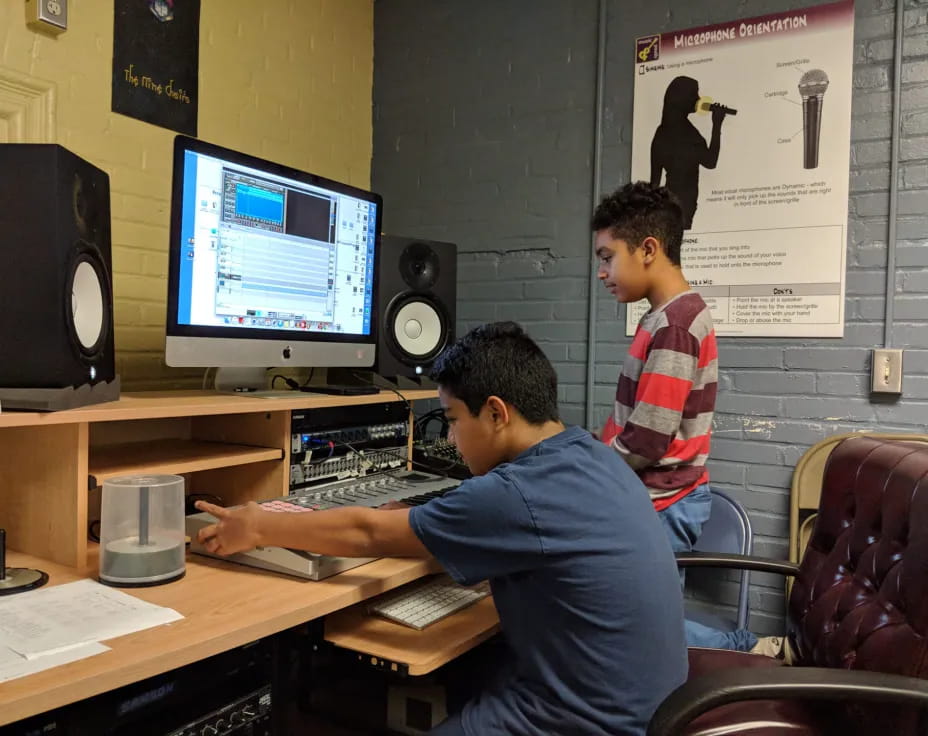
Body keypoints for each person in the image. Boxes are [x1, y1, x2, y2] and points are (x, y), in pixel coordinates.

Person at [196, 321, 687, 735]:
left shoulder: (514, 495)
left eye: (453, 419)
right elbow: (481, 523)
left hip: (587, 722)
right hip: (654, 705)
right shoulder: (589, 456)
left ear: (496, 413)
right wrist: (418, 522)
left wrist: (257, 525)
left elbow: (368, 534)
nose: (451, 437)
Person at [591, 181, 770, 654]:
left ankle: (742, 650)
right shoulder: (665, 317)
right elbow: (636, 422)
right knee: (640, 615)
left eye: (607, 257)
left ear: (648, 249)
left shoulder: (673, 324)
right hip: (662, 499)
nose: (601, 273)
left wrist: (588, 468)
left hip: (664, 505)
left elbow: (646, 441)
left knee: (637, 620)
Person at [650, 76, 730, 230]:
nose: (699, 99)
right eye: (695, 95)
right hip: (685, 202)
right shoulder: (689, 134)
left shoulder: (661, 132)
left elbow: (654, 182)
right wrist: (717, 124)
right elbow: (710, 161)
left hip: (670, 203)